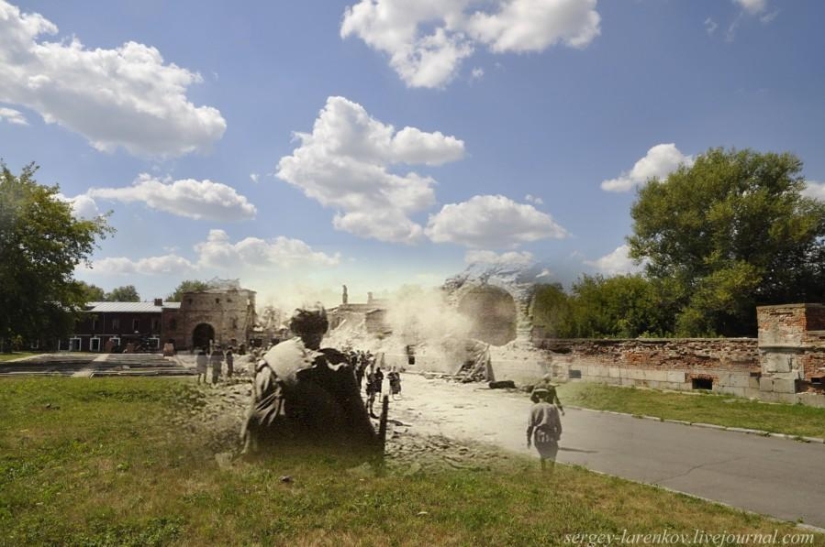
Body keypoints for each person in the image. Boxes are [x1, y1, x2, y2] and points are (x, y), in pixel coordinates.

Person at [241, 305, 380, 456]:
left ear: (293, 328)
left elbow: (253, 408)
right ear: (325, 328)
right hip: (300, 452)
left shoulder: (271, 356)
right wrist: (374, 452)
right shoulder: (334, 365)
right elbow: (358, 418)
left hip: (257, 445)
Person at [526, 388, 563, 472]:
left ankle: (544, 471)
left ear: (537, 396)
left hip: (539, 435)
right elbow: (558, 425)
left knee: (542, 455)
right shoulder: (553, 407)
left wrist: (528, 439)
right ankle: (551, 472)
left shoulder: (534, 408)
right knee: (552, 455)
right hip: (551, 434)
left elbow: (530, 426)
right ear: (547, 396)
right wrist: (557, 435)